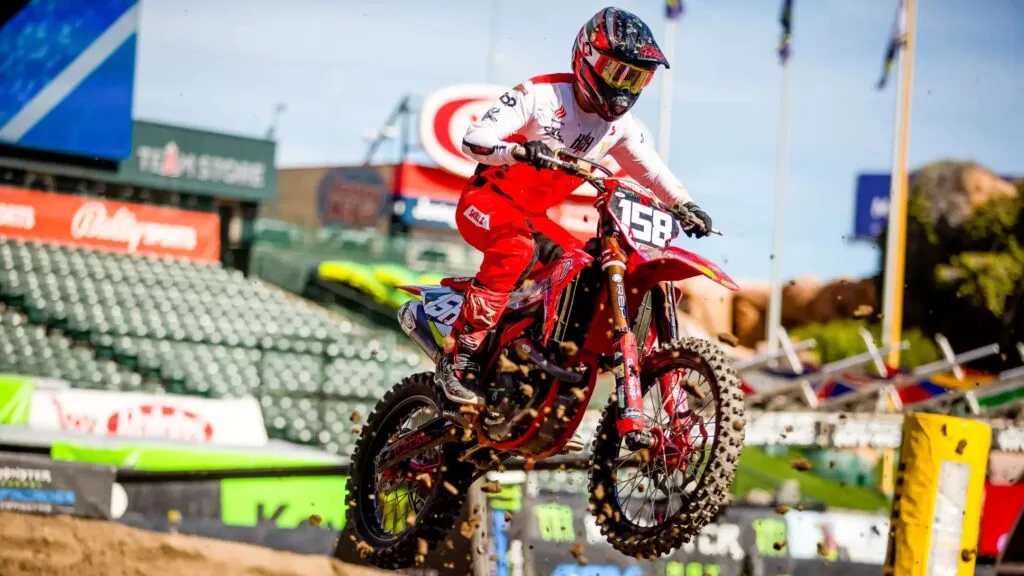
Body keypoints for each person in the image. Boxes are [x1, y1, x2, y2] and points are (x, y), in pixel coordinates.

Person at [437, 7, 714, 441]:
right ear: (586, 58)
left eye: (636, 79)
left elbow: (654, 173)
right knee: (516, 249)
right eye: (616, 72)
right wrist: (519, 152)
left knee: (583, 264)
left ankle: (540, 367)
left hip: (534, 219)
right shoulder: (540, 96)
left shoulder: (622, 129)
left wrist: (686, 205)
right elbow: (474, 139)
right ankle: (461, 355)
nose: (623, 89)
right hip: (488, 201)